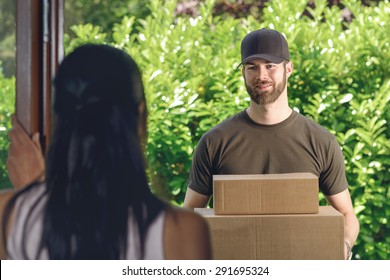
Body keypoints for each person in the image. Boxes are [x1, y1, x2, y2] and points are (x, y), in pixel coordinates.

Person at [0, 44, 211, 260]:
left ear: (57, 119)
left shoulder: (8, 214)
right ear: (140, 117)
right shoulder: (182, 230)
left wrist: (34, 188)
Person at [183, 28, 359, 260]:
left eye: (270, 65)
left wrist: (342, 248)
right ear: (243, 73)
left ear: (288, 69)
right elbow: (189, 216)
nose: (261, 75)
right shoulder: (214, 142)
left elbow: (346, 214)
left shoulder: (320, 141)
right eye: (252, 67)